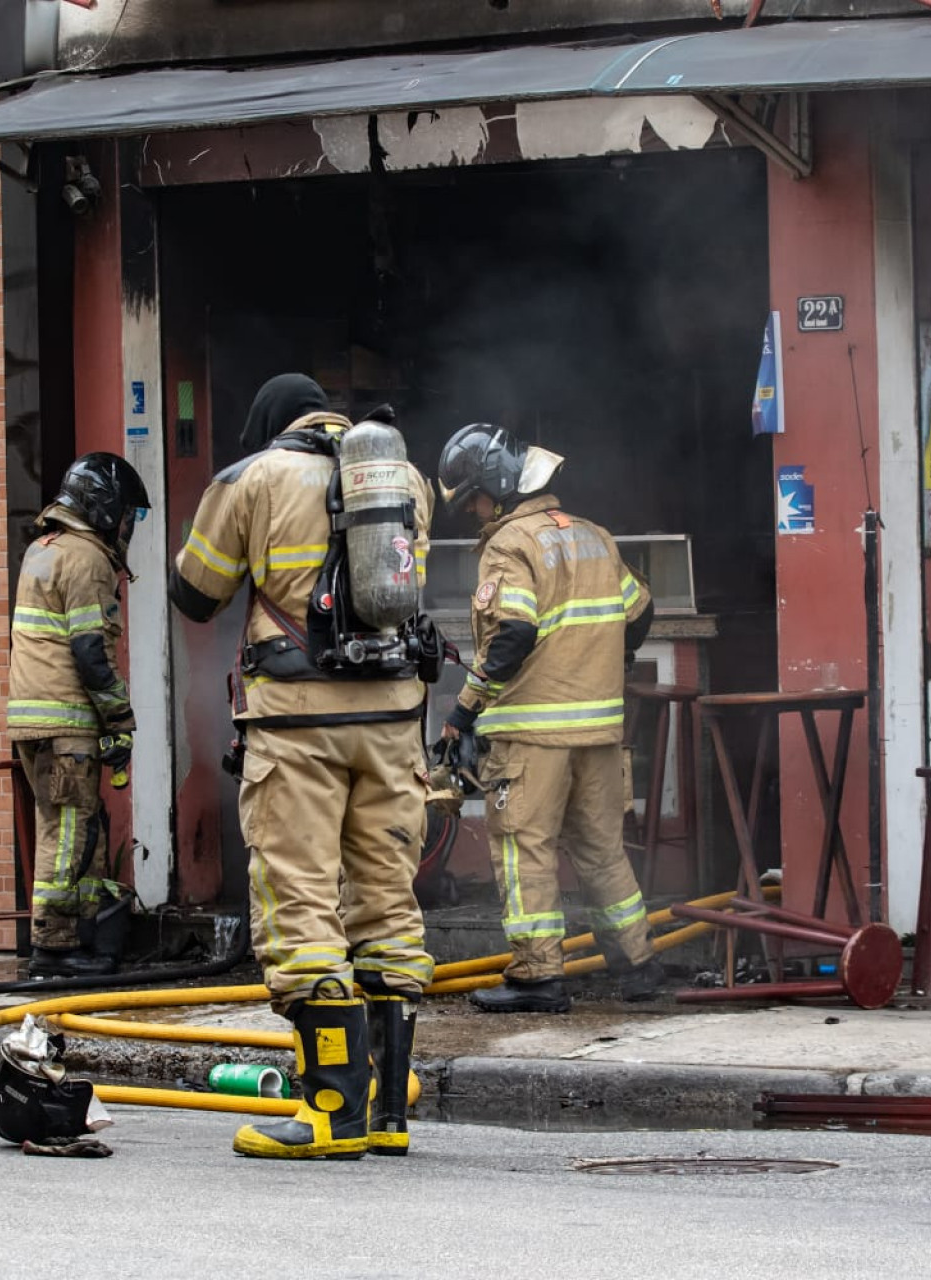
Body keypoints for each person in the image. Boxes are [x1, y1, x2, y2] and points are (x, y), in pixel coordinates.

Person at [169, 373, 435, 1159]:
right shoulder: (403, 477)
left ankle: (329, 1111)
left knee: (301, 905)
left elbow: (195, 594)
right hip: (394, 722)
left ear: (269, 426)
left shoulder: (251, 478)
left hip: (298, 726)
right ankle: (386, 1115)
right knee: (387, 906)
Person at [434, 424, 667, 1013]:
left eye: (474, 501)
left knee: (525, 849)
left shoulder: (510, 544)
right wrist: (604, 662)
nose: (474, 513)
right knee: (601, 849)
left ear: (495, 490)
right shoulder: (594, 536)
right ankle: (638, 965)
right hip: (599, 730)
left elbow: (511, 634)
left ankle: (537, 977)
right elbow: (640, 613)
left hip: (533, 734)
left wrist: (464, 709)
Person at [8, 453, 147, 979]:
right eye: (128, 514)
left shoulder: (43, 549)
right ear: (105, 507)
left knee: (80, 827)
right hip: (67, 722)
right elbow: (91, 652)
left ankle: (81, 940)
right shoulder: (87, 559)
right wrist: (119, 719)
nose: (128, 526)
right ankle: (53, 945)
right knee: (67, 831)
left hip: (38, 719)